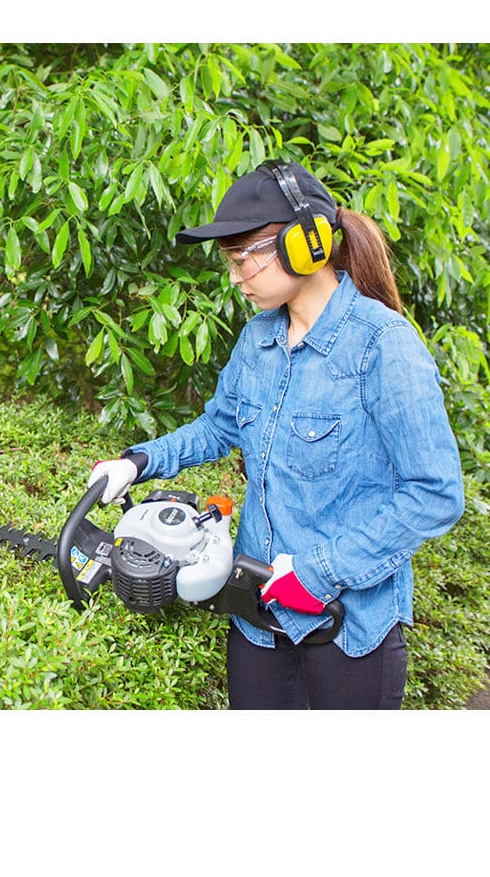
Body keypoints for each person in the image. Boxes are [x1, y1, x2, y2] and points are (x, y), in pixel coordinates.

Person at [89, 161, 465, 710]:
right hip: (258, 619)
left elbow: (435, 494)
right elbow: (219, 426)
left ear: (304, 246)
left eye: (243, 259)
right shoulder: (259, 338)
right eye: (230, 262)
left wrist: (317, 573)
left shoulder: (382, 346)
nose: (236, 278)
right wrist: (138, 462)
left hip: (348, 627)